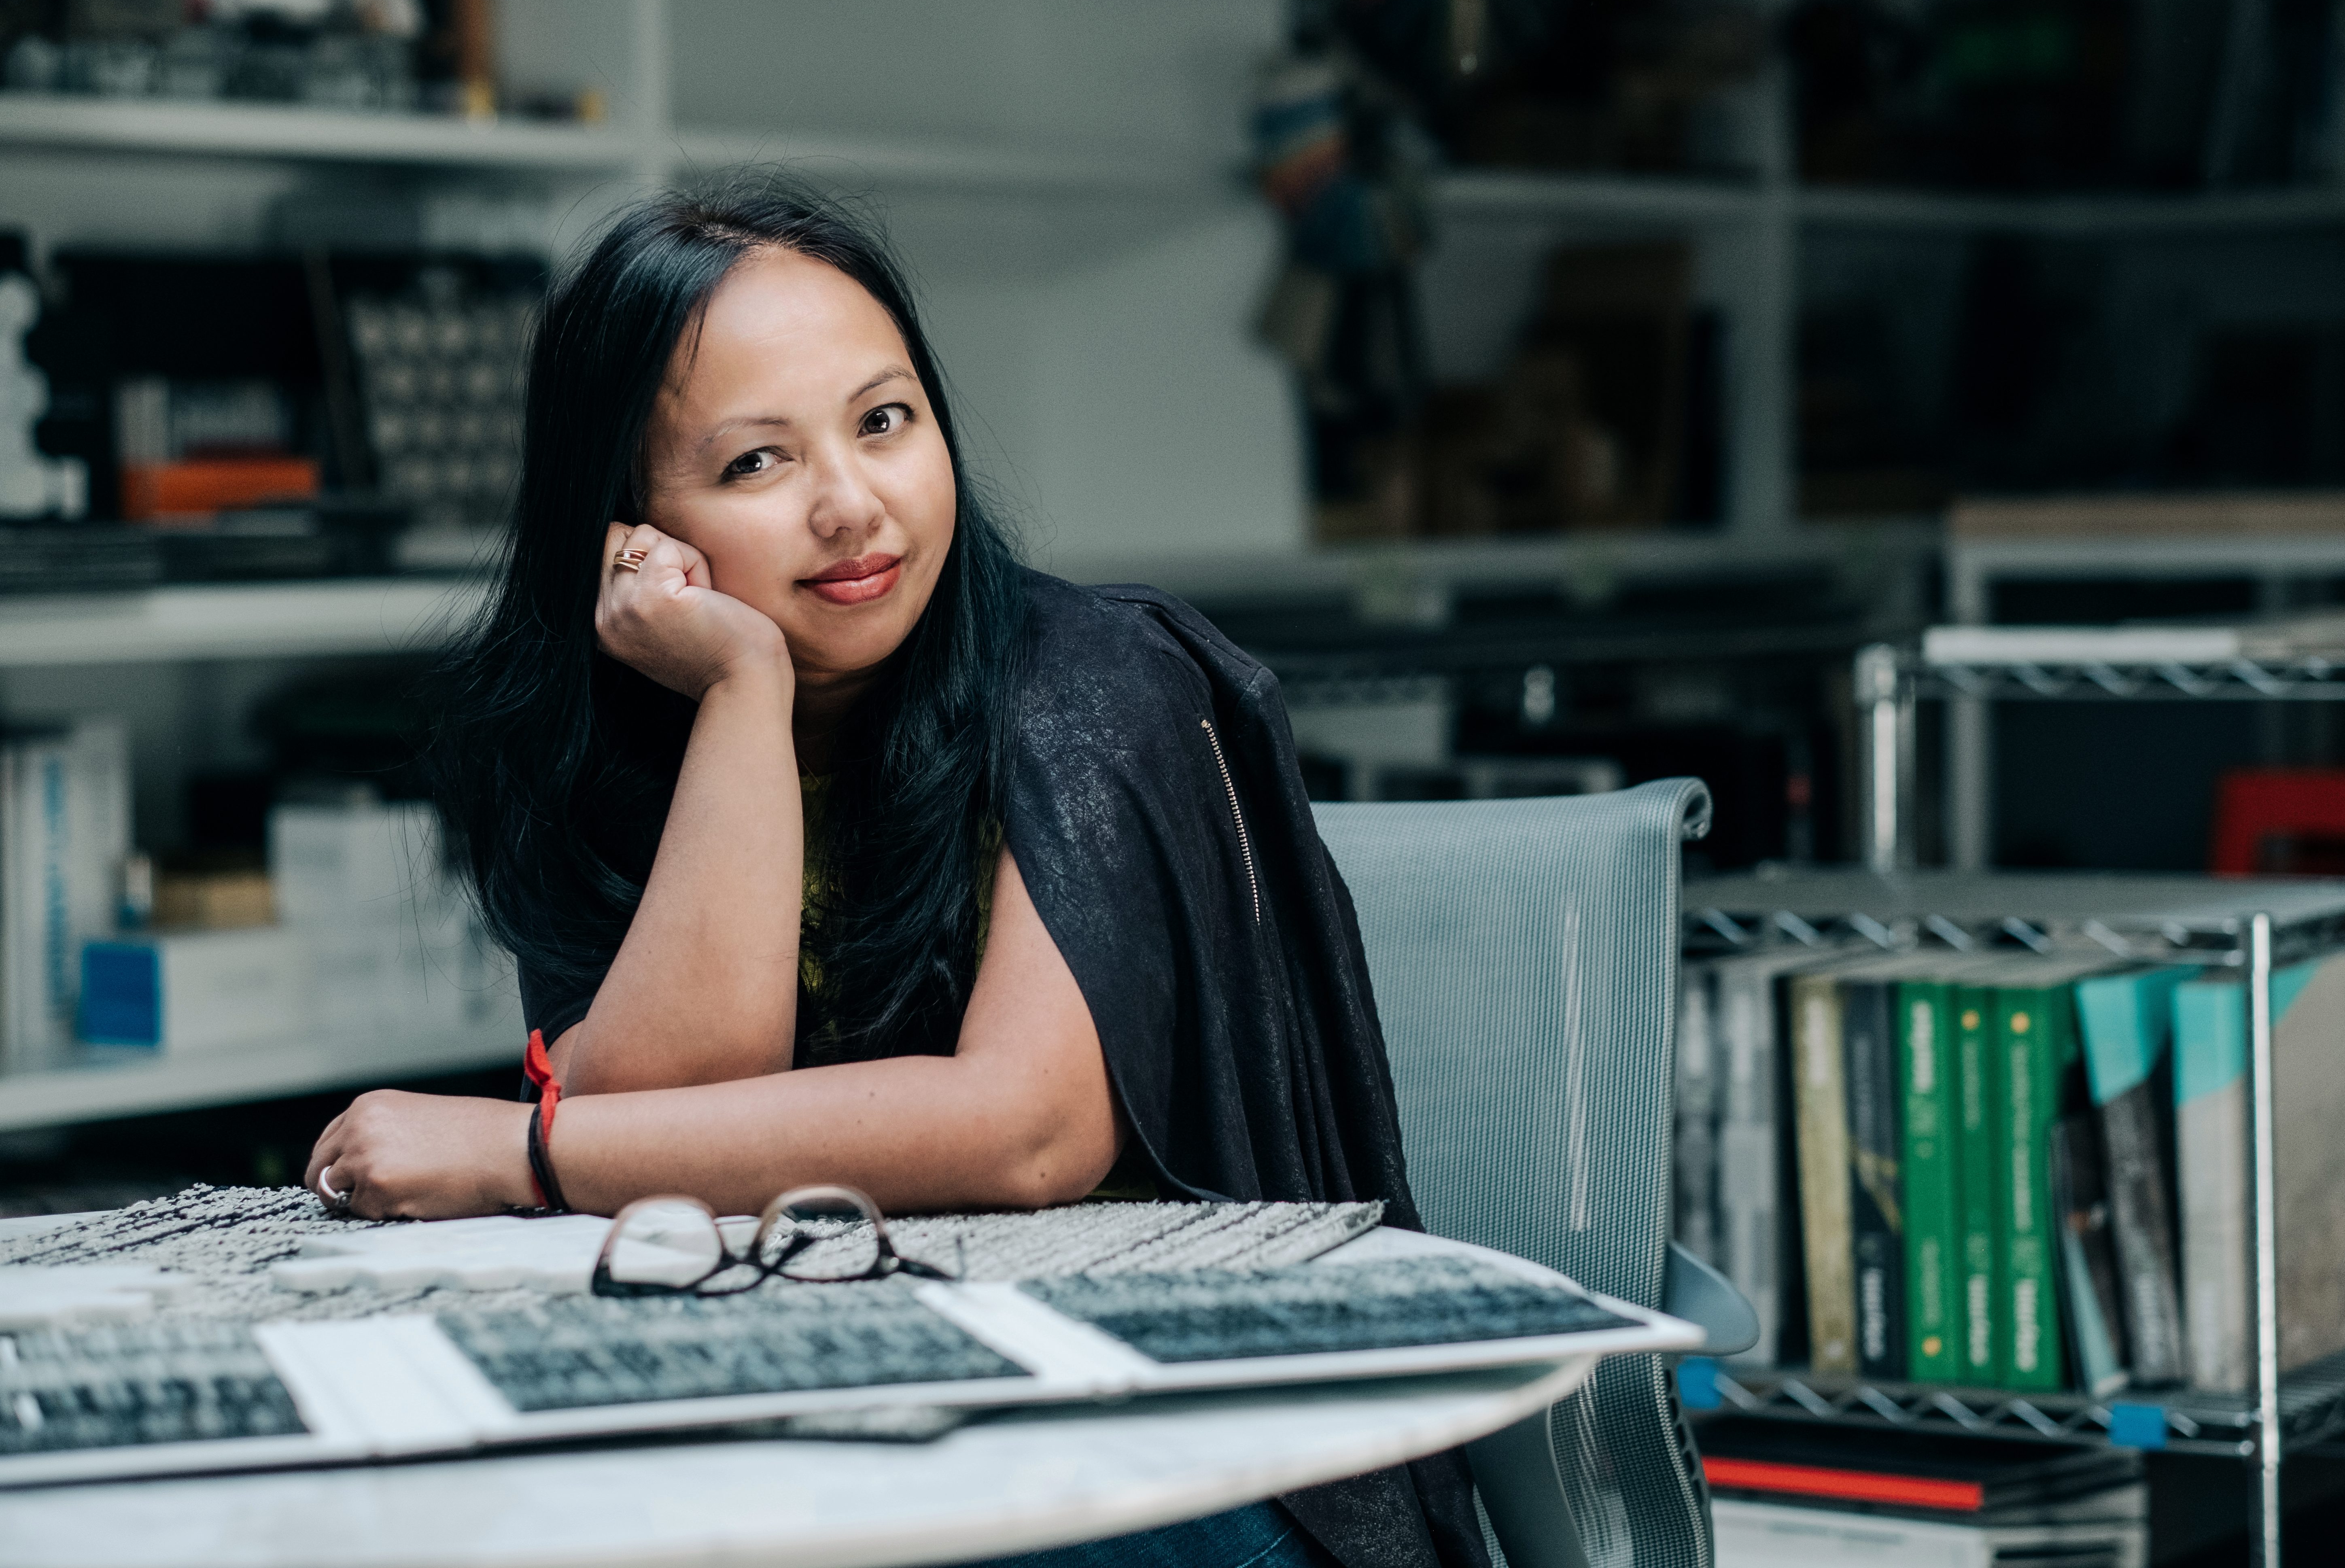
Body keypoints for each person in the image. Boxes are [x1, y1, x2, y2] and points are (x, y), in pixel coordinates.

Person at [302, 176, 1487, 1568]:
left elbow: (1028, 1131)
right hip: (826, 1413)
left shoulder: (1099, 683)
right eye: (758, 464)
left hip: (1177, 1442)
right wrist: (743, 694)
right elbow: (671, 1114)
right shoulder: (604, 747)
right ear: (631, 526)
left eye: (885, 421)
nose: (853, 505)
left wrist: (521, 1154)